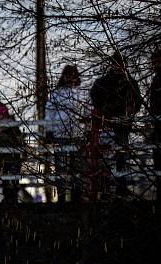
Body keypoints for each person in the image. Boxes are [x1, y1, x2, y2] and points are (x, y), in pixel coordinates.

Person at [90, 51, 142, 197]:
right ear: (111, 65)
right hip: (107, 124)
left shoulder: (130, 82)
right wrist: (105, 109)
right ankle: (107, 188)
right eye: (115, 64)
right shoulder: (103, 82)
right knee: (106, 158)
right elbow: (94, 96)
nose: (118, 67)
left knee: (121, 157)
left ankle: (121, 187)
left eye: (121, 64)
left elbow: (137, 102)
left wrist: (128, 110)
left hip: (122, 126)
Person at [45, 65, 88, 203]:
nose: (70, 78)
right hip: (61, 134)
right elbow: (49, 112)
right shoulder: (57, 93)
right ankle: (62, 197)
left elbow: (87, 111)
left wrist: (86, 128)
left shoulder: (82, 93)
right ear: (63, 77)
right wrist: (49, 131)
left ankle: (77, 195)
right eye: (67, 75)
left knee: (77, 167)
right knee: (61, 167)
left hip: (78, 134)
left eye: (72, 75)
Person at [0, 105, 24, 204]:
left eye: (0, 115)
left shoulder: (13, 128)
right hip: (3, 159)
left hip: (13, 158)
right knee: (5, 180)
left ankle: (13, 200)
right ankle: (7, 199)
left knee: (14, 180)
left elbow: (19, 142)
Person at [148, 50, 161, 201]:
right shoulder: (155, 80)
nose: (155, 65)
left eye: (158, 61)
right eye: (154, 62)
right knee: (158, 164)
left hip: (159, 126)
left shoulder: (158, 80)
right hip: (157, 127)